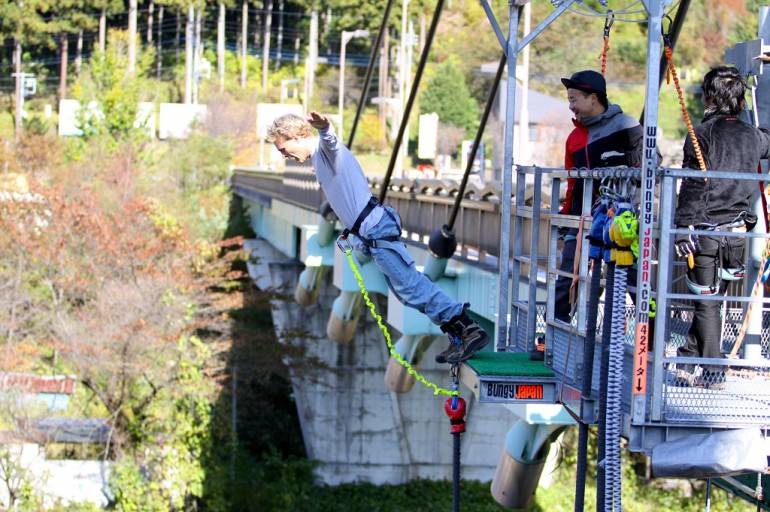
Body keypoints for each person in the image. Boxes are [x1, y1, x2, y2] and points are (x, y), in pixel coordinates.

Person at [266, 112, 489, 364]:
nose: (284, 155)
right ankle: (457, 333)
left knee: (411, 286)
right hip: (370, 231)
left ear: (296, 136)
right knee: (406, 292)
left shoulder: (324, 150)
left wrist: (325, 127)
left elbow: (331, 141)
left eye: (283, 148)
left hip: (375, 228)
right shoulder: (319, 158)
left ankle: (468, 329)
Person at [673, 66, 770, 386]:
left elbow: (690, 186)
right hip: (737, 235)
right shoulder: (753, 137)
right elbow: (766, 142)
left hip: (704, 233)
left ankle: (714, 372)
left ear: (710, 97)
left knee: (706, 303)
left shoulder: (700, 135)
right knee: (711, 304)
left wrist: (682, 226)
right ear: (740, 101)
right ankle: (688, 356)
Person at [555, 70, 644, 323]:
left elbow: (651, 166)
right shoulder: (575, 137)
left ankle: (648, 341)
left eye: (574, 99)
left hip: (623, 219)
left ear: (593, 98)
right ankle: (553, 336)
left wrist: (622, 167)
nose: (571, 107)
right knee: (568, 276)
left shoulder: (627, 126)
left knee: (633, 278)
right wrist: (567, 218)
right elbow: (572, 181)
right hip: (585, 218)